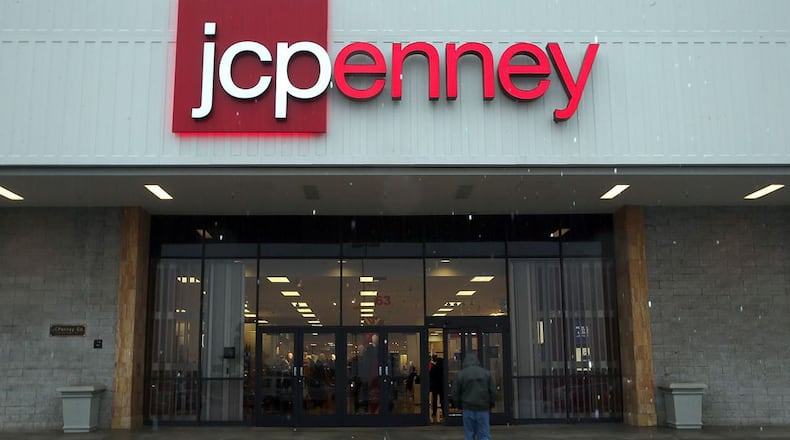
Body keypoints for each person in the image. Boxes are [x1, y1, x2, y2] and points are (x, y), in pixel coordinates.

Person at [451, 355, 497, 440]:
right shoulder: (486, 373)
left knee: (469, 434)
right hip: (483, 408)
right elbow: (493, 392)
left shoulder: (461, 374)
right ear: (477, 362)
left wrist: (459, 405)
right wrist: (491, 403)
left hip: (468, 408)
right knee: (484, 434)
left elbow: (454, 393)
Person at [428, 355, 444, 420]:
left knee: (434, 399)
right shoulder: (443, 369)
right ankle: (444, 412)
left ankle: (434, 412)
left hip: (435, 385)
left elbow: (431, 376)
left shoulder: (434, 368)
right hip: (441, 386)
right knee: (442, 400)